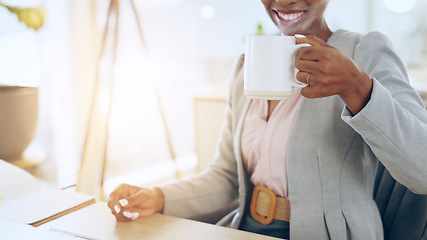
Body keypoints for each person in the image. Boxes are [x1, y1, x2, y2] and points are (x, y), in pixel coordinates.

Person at [108, 0, 427, 239]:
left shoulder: (364, 52)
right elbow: (227, 179)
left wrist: (358, 87)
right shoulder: (249, 64)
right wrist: (160, 197)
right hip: (244, 230)